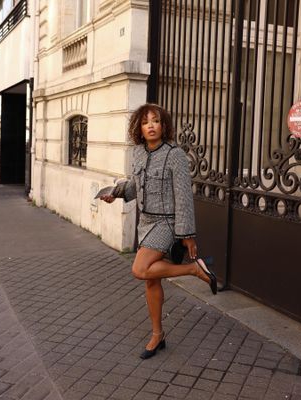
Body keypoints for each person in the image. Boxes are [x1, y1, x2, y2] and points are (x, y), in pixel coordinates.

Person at [101, 103, 217, 359]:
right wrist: (117, 193)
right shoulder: (138, 153)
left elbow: (184, 196)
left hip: (167, 223)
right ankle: (157, 335)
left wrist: (187, 235)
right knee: (151, 279)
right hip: (146, 222)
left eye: (155, 121)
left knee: (139, 269)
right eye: (145, 122)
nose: (151, 125)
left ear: (164, 126)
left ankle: (194, 269)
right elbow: (136, 186)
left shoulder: (175, 154)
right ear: (139, 129)